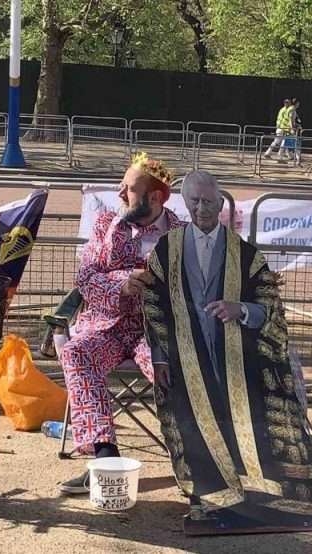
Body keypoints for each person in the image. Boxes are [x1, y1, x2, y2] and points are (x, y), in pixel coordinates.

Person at [141, 170, 312, 524]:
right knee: (194, 417)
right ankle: (211, 485)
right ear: (185, 203)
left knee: (249, 412)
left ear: (221, 204)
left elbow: (271, 308)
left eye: (208, 201)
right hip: (185, 360)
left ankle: (258, 480)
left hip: (239, 360)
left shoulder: (247, 254)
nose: (201, 208)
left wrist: (242, 310)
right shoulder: (166, 250)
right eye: (194, 201)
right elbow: (153, 304)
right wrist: (159, 358)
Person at [58, 152, 184, 495]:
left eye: (128, 188)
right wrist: (122, 283)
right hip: (106, 326)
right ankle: (105, 459)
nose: (119, 193)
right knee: (76, 353)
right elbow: (85, 277)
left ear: (155, 197)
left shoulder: (182, 236)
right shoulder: (105, 225)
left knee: (177, 365)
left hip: (156, 330)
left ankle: (194, 457)